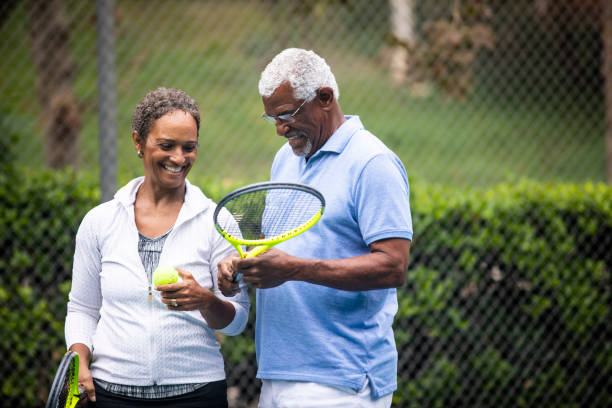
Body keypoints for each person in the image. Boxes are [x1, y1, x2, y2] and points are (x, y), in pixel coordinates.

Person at [218, 48, 413, 407]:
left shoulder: (373, 163)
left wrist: (294, 269)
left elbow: (393, 265)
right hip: (277, 372)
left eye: (287, 115)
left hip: (340, 381)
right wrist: (243, 264)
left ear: (324, 97)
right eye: (271, 118)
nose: (279, 129)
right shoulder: (286, 160)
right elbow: (288, 246)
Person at [65, 87, 250, 408]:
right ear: (139, 142)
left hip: (197, 392)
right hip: (112, 393)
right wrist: (79, 357)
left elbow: (237, 322)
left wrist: (205, 300)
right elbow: (82, 308)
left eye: (189, 147)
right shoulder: (100, 221)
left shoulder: (216, 222)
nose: (179, 158)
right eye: (167, 145)